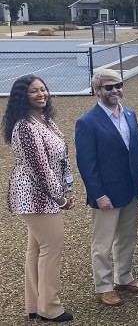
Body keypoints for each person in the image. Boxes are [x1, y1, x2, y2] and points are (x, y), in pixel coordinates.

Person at [75, 69, 138, 307]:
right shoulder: (87, 122)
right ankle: (104, 286)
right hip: (107, 194)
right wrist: (98, 194)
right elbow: (87, 164)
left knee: (127, 237)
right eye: (109, 87)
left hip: (131, 189)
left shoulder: (129, 114)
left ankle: (124, 277)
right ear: (98, 90)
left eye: (118, 85)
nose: (116, 90)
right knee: (103, 243)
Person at [3, 75, 74, 322]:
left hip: (46, 194)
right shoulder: (24, 126)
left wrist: (67, 187)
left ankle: (35, 305)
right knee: (52, 249)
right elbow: (39, 169)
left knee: (36, 250)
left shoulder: (44, 120)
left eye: (43, 89)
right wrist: (60, 198)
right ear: (23, 96)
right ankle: (50, 308)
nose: (41, 94)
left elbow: (61, 157)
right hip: (33, 196)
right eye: (34, 91)